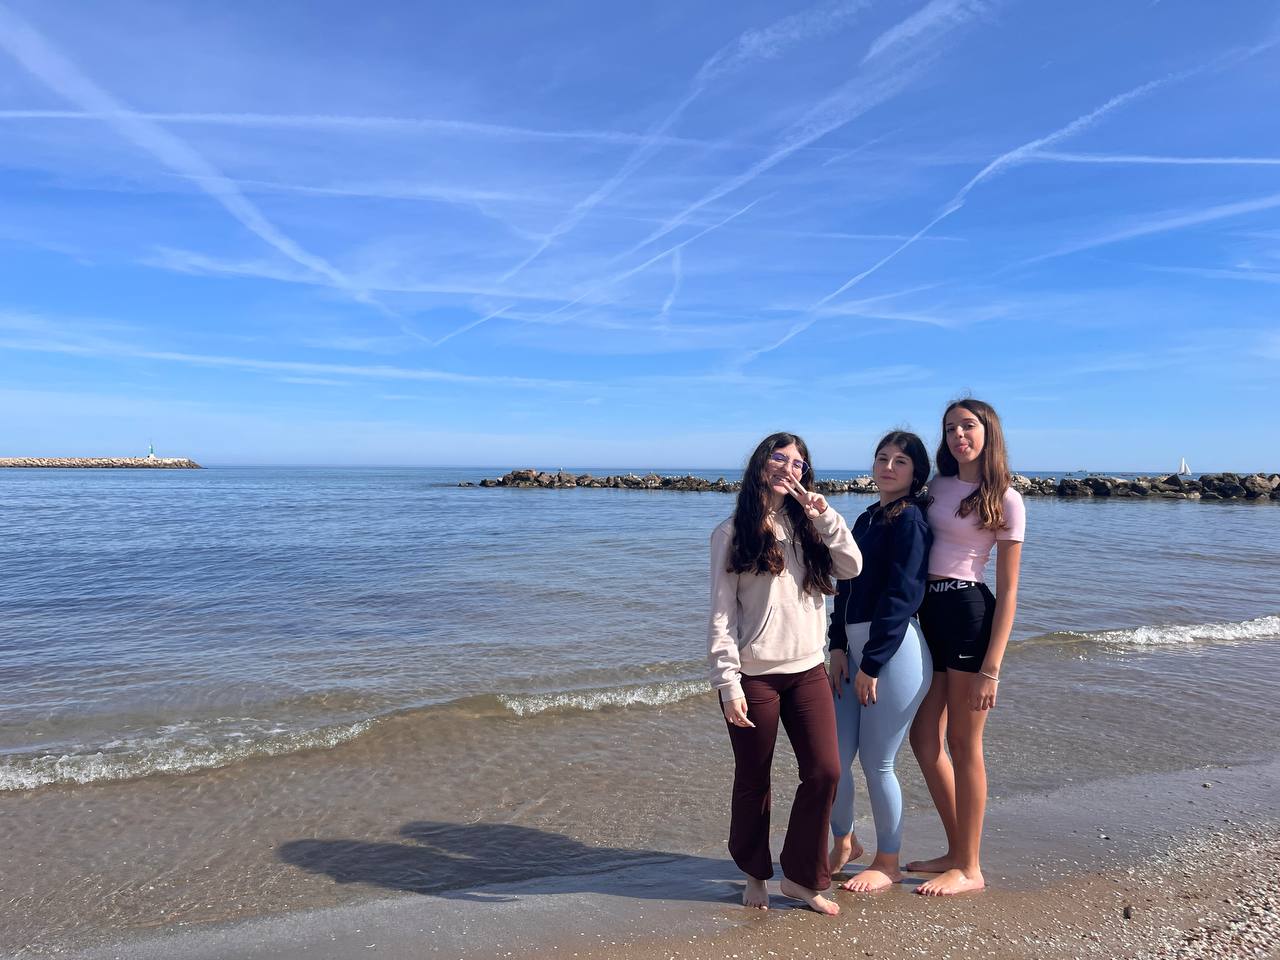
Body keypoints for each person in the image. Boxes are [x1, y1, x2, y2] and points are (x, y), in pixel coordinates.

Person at [708, 432, 863, 914]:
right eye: (779, 458)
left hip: (808, 670)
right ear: (761, 464)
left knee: (825, 771)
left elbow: (852, 567)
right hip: (754, 676)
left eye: (798, 463)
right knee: (754, 778)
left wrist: (825, 515)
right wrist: (728, 682)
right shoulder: (731, 533)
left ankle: (800, 877)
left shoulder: (811, 526)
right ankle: (755, 873)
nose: (788, 468)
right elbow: (721, 615)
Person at [907, 398, 1025, 895]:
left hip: (968, 614)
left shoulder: (1006, 498)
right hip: (927, 614)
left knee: (962, 742)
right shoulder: (936, 487)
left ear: (987, 432)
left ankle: (971, 868)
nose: (959, 435)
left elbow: (1010, 591)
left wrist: (992, 667)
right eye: (951, 428)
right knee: (923, 738)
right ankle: (957, 849)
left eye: (968, 426)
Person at [826, 431, 934, 892]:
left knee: (878, 762)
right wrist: (836, 646)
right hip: (852, 652)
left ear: (916, 472)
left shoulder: (910, 520)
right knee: (831, 759)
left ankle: (888, 861)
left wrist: (871, 663)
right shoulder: (868, 517)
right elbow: (844, 586)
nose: (888, 467)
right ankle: (846, 841)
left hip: (893, 654)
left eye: (900, 461)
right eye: (882, 458)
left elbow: (902, 595)